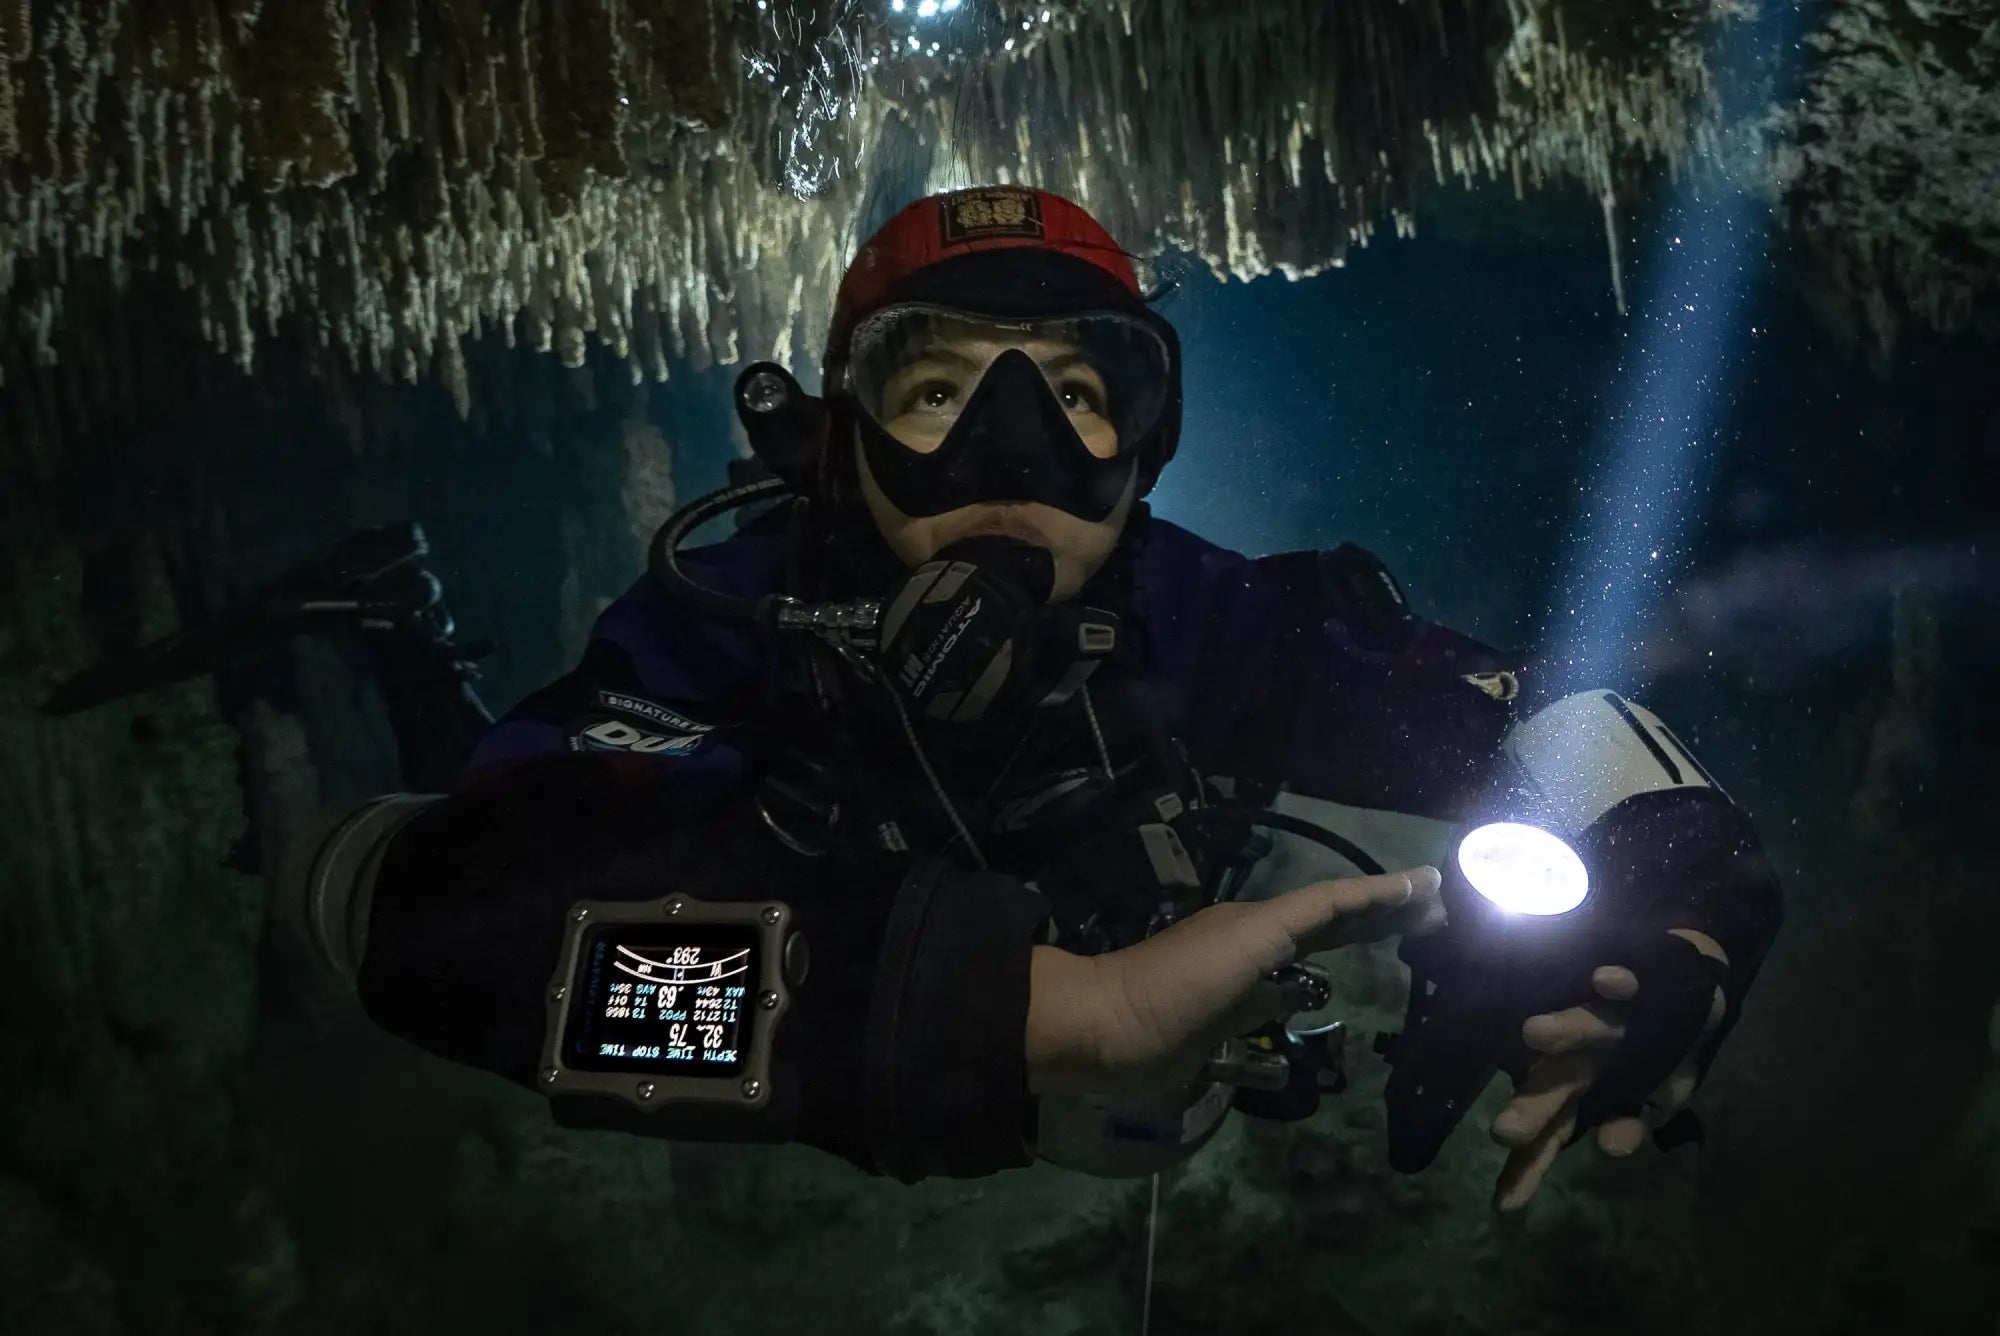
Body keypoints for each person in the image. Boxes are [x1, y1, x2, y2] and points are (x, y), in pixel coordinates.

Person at [298, 186, 1782, 1210]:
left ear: (1149, 442)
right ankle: (405, 636)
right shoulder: (744, 621)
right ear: (841, 439)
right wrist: (1038, 1016)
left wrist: (1690, 906)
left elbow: (1551, 717)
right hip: (922, 1047)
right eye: (934, 389)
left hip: (1097, 1081)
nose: (1013, 451)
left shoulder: (1194, 618)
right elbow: (423, 907)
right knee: (460, 756)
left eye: (1082, 392)